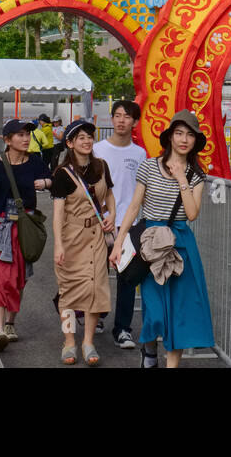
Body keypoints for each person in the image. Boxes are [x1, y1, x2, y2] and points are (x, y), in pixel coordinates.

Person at [111, 109, 214, 368]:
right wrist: (119, 243)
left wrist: (182, 178)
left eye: (190, 135)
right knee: (154, 309)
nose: (184, 139)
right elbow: (134, 207)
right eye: (179, 133)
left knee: (179, 313)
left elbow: (192, 213)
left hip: (181, 246)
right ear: (169, 137)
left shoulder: (196, 175)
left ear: (195, 141)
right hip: (150, 244)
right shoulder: (148, 166)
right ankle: (149, 350)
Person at [0, 119, 53, 351]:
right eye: (19, 135)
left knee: (18, 279)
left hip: (25, 229)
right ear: (7, 140)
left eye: (27, 134)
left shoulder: (35, 162)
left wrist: (45, 182)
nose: (26, 138)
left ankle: (10, 323)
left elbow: (54, 180)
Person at [51, 119, 115, 365]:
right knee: (68, 290)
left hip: (96, 237)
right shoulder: (62, 174)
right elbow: (58, 214)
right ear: (70, 143)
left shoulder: (101, 166)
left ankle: (88, 341)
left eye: (89, 136)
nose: (87, 141)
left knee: (95, 288)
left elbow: (109, 194)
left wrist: (112, 216)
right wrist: (59, 245)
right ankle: (69, 341)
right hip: (71, 237)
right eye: (81, 138)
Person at [94, 99, 146, 350]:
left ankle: (123, 329)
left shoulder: (140, 154)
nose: (121, 120)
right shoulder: (97, 149)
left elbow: (139, 190)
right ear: (111, 119)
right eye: (117, 115)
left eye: (127, 116)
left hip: (129, 224)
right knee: (97, 274)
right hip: (100, 222)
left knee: (126, 278)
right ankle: (99, 316)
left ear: (135, 122)